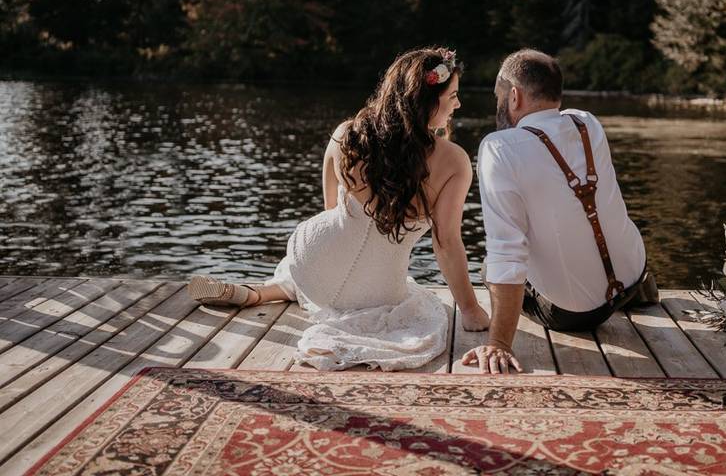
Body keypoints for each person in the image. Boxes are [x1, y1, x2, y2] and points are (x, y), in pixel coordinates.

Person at [188, 48, 490, 371]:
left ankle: (258, 293)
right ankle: (270, 292)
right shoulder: (454, 161)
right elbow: (446, 243)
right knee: (413, 301)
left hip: (314, 257)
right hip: (378, 293)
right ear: (428, 100)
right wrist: (470, 310)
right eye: (453, 96)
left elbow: (330, 210)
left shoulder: (347, 133)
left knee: (313, 266)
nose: (458, 104)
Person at [462, 49, 658, 374]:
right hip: (632, 277)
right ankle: (629, 287)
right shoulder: (588, 123)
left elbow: (507, 254)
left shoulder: (498, 148)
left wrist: (499, 343)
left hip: (574, 314)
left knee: (488, 267)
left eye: (499, 97)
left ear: (514, 96)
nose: (497, 106)